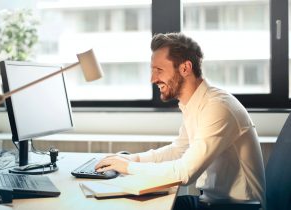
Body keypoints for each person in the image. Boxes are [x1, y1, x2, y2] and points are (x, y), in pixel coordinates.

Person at [95, 32, 266, 210]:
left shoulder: (218, 107)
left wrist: (128, 167)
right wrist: (133, 159)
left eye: (159, 70)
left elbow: (185, 173)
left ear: (185, 68)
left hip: (237, 208)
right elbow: (179, 150)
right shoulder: (195, 104)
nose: (152, 79)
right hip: (210, 202)